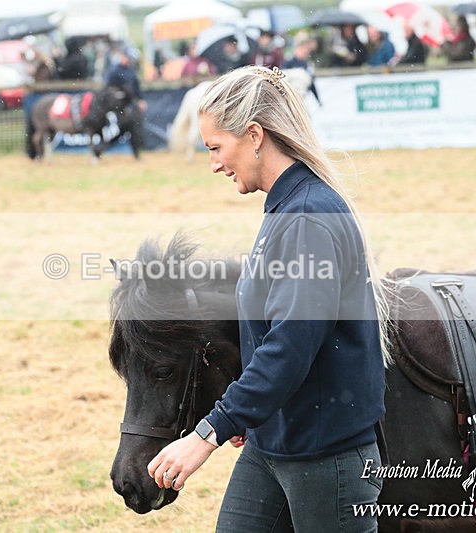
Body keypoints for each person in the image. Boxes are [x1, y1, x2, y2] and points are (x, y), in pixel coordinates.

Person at [147, 65, 387, 531]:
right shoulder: (284, 207)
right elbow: (268, 332)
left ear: (254, 135)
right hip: (270, 442)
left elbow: (291, 345)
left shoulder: (307, 217)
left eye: (217, 148)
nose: (214, 163)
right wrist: (247, 414)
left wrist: (207, 432)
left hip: (326, 456)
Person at [104, 46, 147, 113]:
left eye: (129, 58)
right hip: (117, 103)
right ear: (122, 55)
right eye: (127, 57)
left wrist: (141, 99)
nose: (128, 60)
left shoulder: (131, 70)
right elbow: (108, 87)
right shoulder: (114, 70)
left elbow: (136, 86)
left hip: (130, 103)